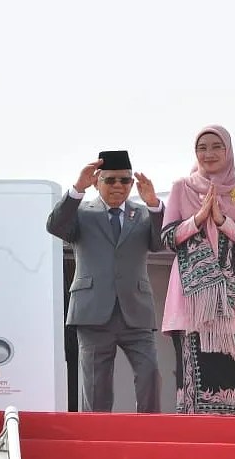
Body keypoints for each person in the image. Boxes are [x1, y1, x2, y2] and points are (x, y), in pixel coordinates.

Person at [46, 152, 164, 413]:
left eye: (125, 180)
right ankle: (96, 433)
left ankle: (150, 429)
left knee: (150, 373)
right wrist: (77, 189)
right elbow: (55, 226)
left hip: (136, 311)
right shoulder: (81, 212)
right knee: (96, 386)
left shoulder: (143, 214)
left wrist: (154, 204)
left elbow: (160, 243)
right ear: (97, 181)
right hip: (92, 313)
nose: (118, 186)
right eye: (110, 180)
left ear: (132, 183)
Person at [161, 125, 235, 415]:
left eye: (216, 146)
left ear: (228, 150)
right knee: (192, 376)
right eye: (202, 147)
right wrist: (197, 219)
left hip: (232, 299)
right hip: (190, 299)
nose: (209, 153)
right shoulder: (181, 187)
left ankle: (227, 435)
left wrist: (222, 221)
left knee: (230, 372)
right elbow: (167, 238)